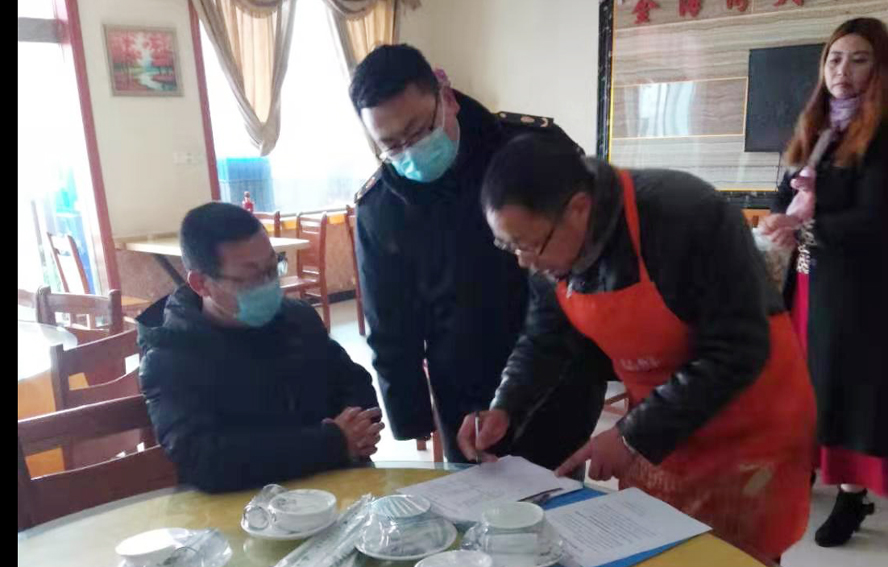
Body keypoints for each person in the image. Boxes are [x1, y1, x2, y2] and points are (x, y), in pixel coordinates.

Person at [458, 134, 817, 562]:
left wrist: (630, 436)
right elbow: (545, 338)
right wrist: (506, 406)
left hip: (749, 422)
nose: (523, 260)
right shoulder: (550, 248)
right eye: (509, 246)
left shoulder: (684, 214)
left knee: (731, 555)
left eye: (528, 245)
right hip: (663, 420)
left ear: (579, 208)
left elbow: (737, 350)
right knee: (656, 550)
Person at [350, 43, 607, 466]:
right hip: (465, 387)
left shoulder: (534, 148)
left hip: (559, 368)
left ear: (446, 98)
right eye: (391, 145)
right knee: (473, 494)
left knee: (559, 491)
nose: (410, 152)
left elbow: (590, 258)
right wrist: (411, 416)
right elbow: (389, 322)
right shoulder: (379, 207)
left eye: (418, 131)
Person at [137, 203, 383, 493]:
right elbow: (206, 460)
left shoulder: (298, 319)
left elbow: (355, 384)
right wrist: (332, 442)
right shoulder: (170, 356)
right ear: (201, 284)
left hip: (334, 490)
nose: (268, 284)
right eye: (252, 277)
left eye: (272, 268)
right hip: (243, 507)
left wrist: (358, 430)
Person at [759, 17, 887, 547]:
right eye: (835, 58)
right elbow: (785, 192)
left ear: (879, 69)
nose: (843, 70)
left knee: (846, 389)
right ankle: (803, 468)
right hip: (807, 280)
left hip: (856, 289)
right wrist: (777, 218)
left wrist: (805, 228)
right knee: (801, 384)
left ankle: (853, 495)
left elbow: (875, 218)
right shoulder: (816, 128)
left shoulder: (881, 134)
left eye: (859, 59)